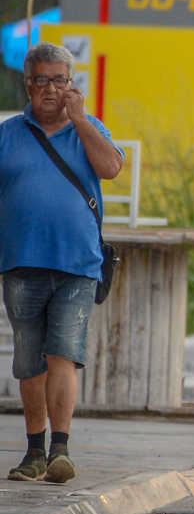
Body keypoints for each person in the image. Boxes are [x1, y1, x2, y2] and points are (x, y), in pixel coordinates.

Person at [2, 42, 124, 483]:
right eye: (41, 80)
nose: (50, 89)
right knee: (30, 360)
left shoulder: (89, 129)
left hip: (78, 263)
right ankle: (34, 452)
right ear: (28, 84)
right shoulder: (9, 133)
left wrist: (80, 119)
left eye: (60, 80)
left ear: (71, 85)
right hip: (20, 262)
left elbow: (110, 168)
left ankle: (60, 449)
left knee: (63, 355)